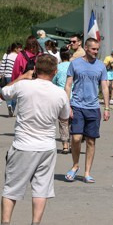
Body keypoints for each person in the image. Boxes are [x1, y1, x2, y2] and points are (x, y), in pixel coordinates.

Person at [0, 54, 70, 225]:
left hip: (23, 145)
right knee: (41, 190)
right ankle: (35, 223)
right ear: (55, 71)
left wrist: (21, 77)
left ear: (35, 69)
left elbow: (3, 93)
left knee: (11, 189)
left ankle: (6, 222)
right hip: (46, 146)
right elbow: (64, 117)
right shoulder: (60, 93)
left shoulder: (23, 86)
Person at [64, 37, 110, 184]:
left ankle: (87, 172)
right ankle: (75, 165)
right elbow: (68, 85)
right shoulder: (75, 64)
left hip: (93, 107)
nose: (96, 52)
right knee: (76, 138)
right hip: (77, 105)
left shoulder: (101, 66)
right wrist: (67, 105)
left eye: (97, 49)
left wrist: (107, 108)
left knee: (91, 141)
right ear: (86, 48)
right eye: (93, 49)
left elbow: (104, 87)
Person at [52, 48, 72, 154]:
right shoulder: (74, 66)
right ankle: (73, 143)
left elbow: (53, 81)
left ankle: (65, 145)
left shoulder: (57, 68)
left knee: (63, 121)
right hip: (74, 97)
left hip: (61, 96)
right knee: (73, 122)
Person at [0, 43, 22, 117]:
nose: (21, 49)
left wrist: (1, 74)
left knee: (7, 92)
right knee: (14, 94)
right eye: (19, 48)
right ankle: (12, 109)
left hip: (5, 76)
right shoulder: (18, 56)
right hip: (13, 77)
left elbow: (2, 66)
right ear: (15, 49)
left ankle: (9, 105)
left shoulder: (6, 55)